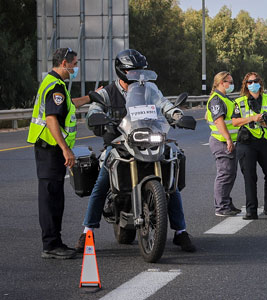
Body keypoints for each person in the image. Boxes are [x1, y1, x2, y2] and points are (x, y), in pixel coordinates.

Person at [75, 49, 195, 253]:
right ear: (122, 71)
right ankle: (88, 231)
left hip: (148, 139)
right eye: (133, 71)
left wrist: (177, 116)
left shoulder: (149, 89)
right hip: (119, 143)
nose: (137, 75)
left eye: (140, 70)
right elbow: (95, 109)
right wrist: (97, 118)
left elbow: (164, 105)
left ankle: (181, 231)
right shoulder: (108, 92)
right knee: (101, 183)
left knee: (170, 180)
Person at [27, 47, 94, 259]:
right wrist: (66, 149)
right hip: (50, 149)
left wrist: (91, 97)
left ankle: (55, 242)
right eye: (74, 64)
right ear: (64, 63)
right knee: (50, 199)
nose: (76, 68)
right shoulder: (55, 86)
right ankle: (51, 245)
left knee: (55, 197)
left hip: (49, 149)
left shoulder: (55, 83)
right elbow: (51, 119)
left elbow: (69, 106)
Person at [231, 72, 267, 220]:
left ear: (260, 83)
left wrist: (266, 122)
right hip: (246, 142)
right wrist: (253, 118)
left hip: (265, 141)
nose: (252, 84)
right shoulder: (240, 102)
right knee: (250, 177)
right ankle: (251, 211)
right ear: (246, 85)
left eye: (255, 81)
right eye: (249, 82)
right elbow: (235, 122)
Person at [206, 71, 242, 216]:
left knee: (230, 174)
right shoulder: (216, 99)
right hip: (221, 142)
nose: (231, 84)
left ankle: (226, 202)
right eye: (229, 82)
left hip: (228, 141)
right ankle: (221, 207)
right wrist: (228, 138)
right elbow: (219, 121)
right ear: (221, 83)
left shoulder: (224, 98)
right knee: (225, 174)